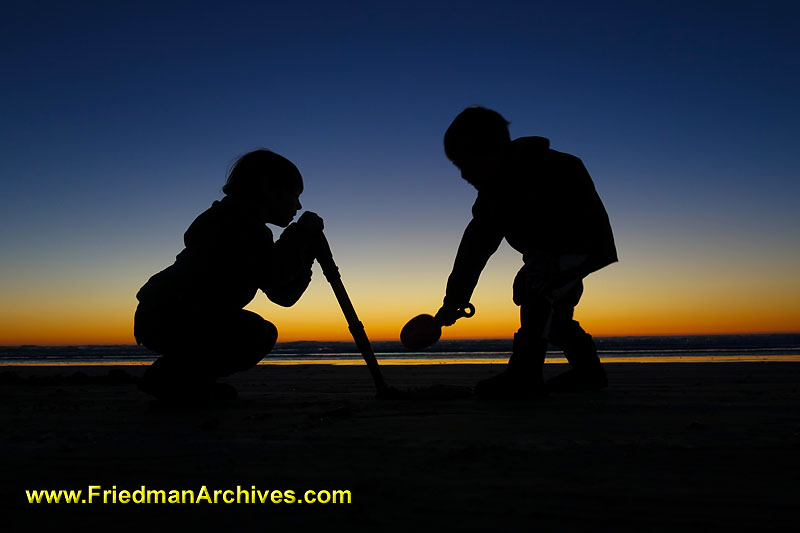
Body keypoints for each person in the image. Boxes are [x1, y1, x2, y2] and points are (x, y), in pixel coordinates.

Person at [434, 106, 617, 399]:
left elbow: (582, 213)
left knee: (534, 287)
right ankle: (588, 371)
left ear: (495, 150)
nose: (464, 174)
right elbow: (474, 249)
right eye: (459, 166)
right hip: (549, 254)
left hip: (581, 244)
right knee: (553, 314)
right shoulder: (492, 197)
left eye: (469, 162)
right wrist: (455, 299)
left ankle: (525, 373)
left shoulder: (552, 167)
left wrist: (552, 254)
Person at [134, 149, 323, 402]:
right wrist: (298, 237)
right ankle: (174, 380)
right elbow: (277, 276)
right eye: (293, 195)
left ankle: (181, 380)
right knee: (254, 334)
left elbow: (284, 295)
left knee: (258, 332)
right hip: (170, 316)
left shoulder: (247, 227)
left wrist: (305, 250)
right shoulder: (233, 224)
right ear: (268, 188)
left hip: (175, 317)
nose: (298, 206)